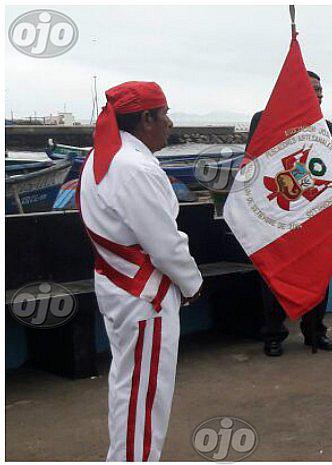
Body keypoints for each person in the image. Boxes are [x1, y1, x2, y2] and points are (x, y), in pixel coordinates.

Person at [77, 81, 203, 460]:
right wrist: (193, 283)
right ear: (146, 118)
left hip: (118, 286)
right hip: (145, 296)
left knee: (128, 388)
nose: (170, 122)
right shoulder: (134, 167)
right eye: (163, 114)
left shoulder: (104, 157)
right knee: (145, 397)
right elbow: (165, 245)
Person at [246, 70, 332, 356]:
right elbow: (253, 165)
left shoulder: (329, 129)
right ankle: (273, 334)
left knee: (317, 278)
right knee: (273, 279)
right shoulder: (263, 121)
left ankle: (315, 332)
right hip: (277, 216)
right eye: (313, 89)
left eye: (321, 90)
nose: (320, 94)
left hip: (314, 216)